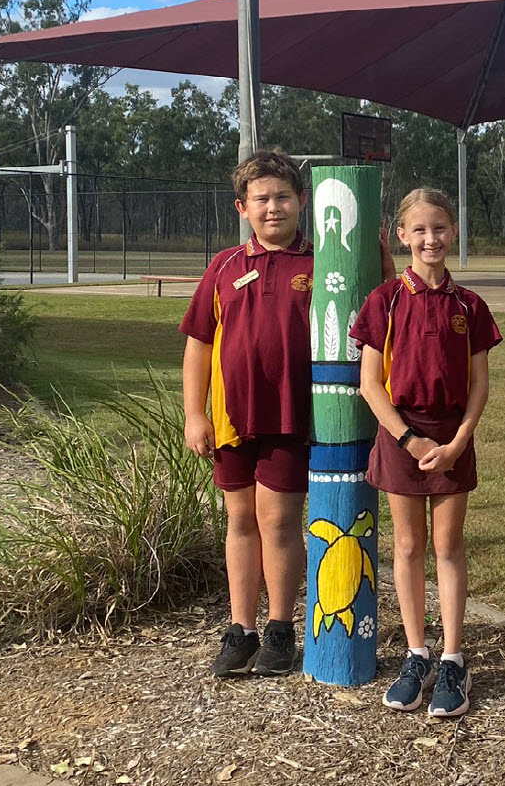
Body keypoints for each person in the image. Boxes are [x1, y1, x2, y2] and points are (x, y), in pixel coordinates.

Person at [352, 188, 501, 718]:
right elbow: (370, 384)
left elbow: (479, 384)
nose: (430, 239)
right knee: (408, 545)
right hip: (402, 436)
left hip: (452, 435)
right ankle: (416, 655)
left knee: (448, 546)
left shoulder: (470, 306)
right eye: (419, 230)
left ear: (453, 231)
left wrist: (459, 441)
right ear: (402, 236)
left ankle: (454, 660)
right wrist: (408, 439)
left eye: (439, 228)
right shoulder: (385, 300)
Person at [181, 150, 317, 678]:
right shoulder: (224, 265)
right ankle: (241, 630)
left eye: (282, 196)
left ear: (300, 201)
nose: (273, 207)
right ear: (243, 207)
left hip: (289, 417)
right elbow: (198, 343)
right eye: (261, 199)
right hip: (231, 418)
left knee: (278, 522)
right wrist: (195, 414)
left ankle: (280, 629)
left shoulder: (319, 264)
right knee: (240, 521)